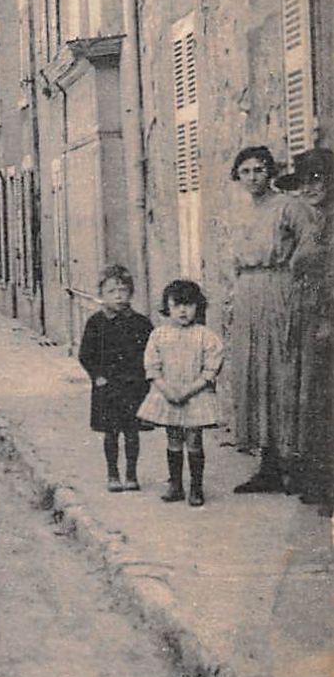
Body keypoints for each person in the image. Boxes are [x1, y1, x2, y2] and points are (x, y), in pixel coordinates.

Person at [226, 146, 316, 493]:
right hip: (248, 293)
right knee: (254, 374)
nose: (252, 177)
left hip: (279, 289)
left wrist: (292, 271)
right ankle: (267, 465)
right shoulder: (239, 210)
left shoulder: (289, 206)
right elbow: (232, 258)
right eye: (245, 171)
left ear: (271, 172)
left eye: (259, 170)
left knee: (282, 373)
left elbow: (313, 242)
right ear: (238, 175)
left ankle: (294, 464)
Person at [138, 280, 225, 507]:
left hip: (195, 396)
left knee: (194, 440)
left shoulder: (206, 336)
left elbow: (210, 370)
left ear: (198, 306)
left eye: (188, 305)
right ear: (168, 308)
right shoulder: (159, 335)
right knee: (173, 438)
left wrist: (188, 390)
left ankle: (196, 487)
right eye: (177, 306)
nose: (183, 311)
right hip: (168, 394)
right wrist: (166, 390)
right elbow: (152, 367)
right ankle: (175, 485)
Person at [279, 147, 333, 505]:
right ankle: (318, 479)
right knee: (312, 399)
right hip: (306, 316)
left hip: (326, 317)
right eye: (304, 183)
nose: (310, 189)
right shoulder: (313, 222)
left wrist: (328, 318)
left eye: (317, 180)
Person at [78, 265, 155, 492]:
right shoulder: (96, 323)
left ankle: (131, 474)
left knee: (132, 433)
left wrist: (148, 378)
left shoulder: (141, 323)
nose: (119, 296)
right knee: (110, 433)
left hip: (133, 386)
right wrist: (97, 376)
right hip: (107, 387)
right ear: (102, 295)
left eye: (123, 290)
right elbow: (85, 355)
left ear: (131, 293)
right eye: (112, 291)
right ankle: (113, 473)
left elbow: (151, 352)